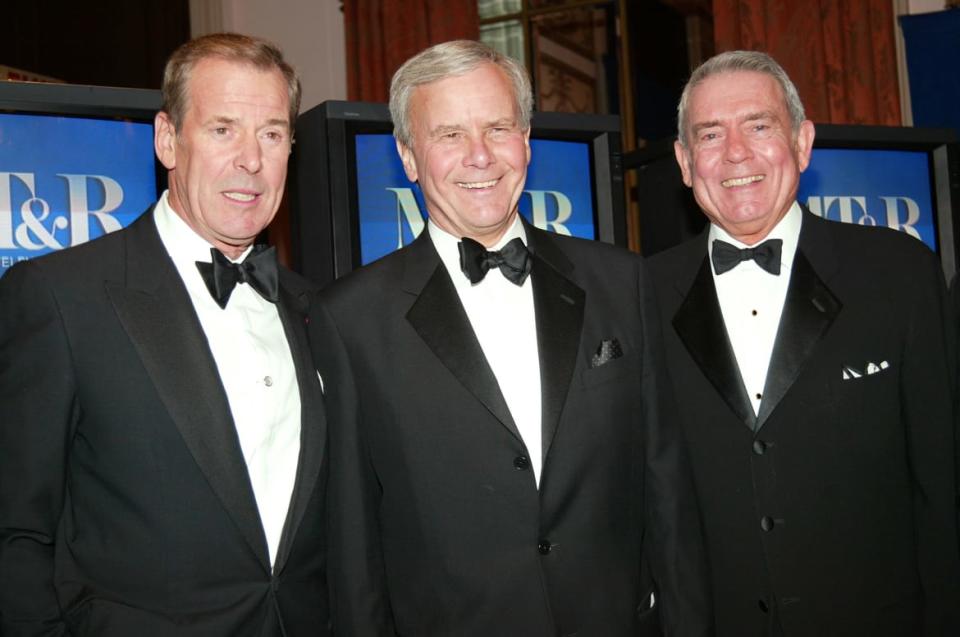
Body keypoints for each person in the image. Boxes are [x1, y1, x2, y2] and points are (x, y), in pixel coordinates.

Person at [310, 39, 711, 637]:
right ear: (409, 156)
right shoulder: (351, 320)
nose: (480, 156)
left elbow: (667, 491)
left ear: (525, 140)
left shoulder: (619, 281)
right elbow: (354, 545)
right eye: (448, 134)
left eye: (497, 127)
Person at [0, 33, 329, 636]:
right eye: (223, 129)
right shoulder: (61, 296)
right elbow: (15, 529)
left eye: (273, 133)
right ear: (167, 139)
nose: (251, 160)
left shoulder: (318, 309)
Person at [648, 50, 960, 636]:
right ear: (685, 163)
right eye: (710, 135)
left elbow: (942, 486)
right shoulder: (639, 295)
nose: (735, 151)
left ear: (803, 141)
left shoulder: (897, 273)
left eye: (759, 126)